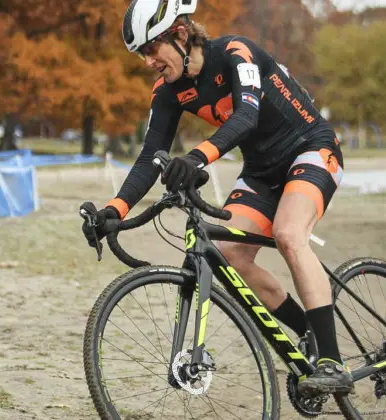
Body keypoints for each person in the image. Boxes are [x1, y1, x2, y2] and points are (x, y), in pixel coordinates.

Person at [82, 0, 351, 395]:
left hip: (311, 148)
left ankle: (332, 360)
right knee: (229, 255)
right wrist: (114, 210)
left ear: (181, 33)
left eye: (151, 48)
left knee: (289, 234)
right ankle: (308, 331)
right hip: (262, 171)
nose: (147, 61)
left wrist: (194, 158)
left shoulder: (235, 54)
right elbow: (148, 156)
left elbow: (246, 117)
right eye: (142, 53)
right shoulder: (169, 91)